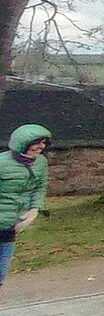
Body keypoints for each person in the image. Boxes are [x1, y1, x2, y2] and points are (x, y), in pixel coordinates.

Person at [0, 123, 50, 289]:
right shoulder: (2, 163)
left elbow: (39, 187)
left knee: (1, 273)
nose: (41, 147)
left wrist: (34, 211)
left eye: (44, 143)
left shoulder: (41, 163)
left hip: (12, 226)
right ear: (23, 143)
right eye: (37, 142)